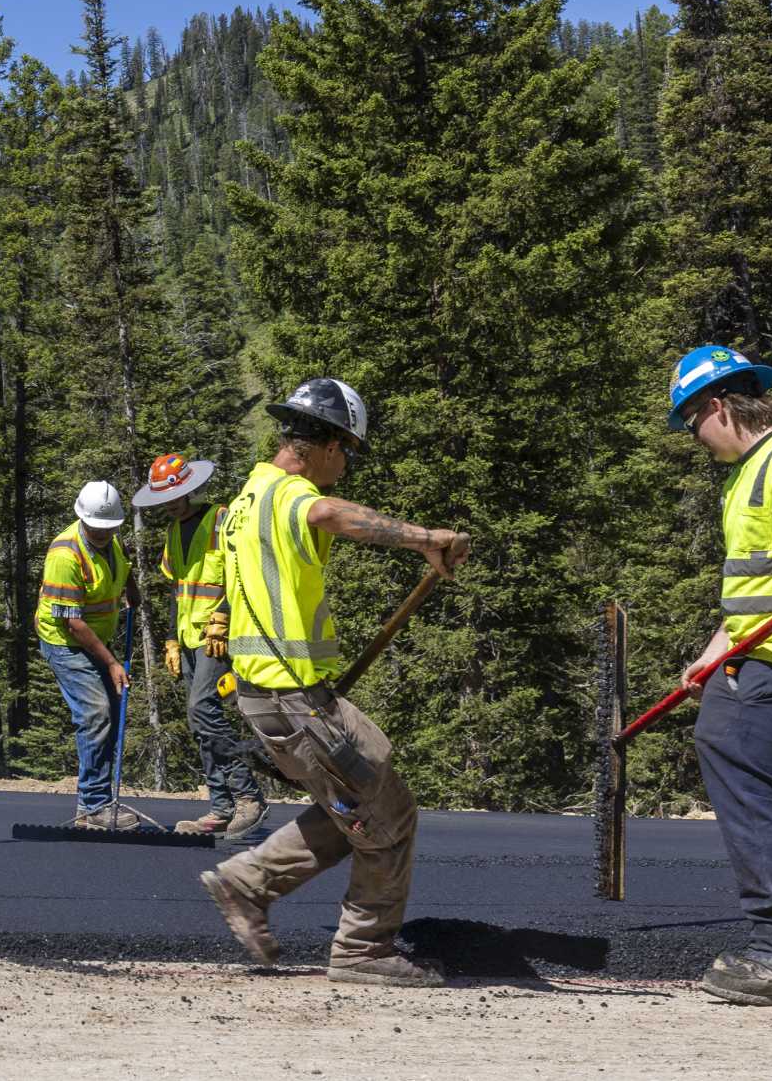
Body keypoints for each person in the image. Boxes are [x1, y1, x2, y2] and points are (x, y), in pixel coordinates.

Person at [201, 378, 470, 988]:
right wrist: (429, 539)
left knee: (360, 802)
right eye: (346, 449)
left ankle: (246, 883)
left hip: (272, 695)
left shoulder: (248, 496)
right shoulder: (290, 494)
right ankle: (363, 951)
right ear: (319, 443)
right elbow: (324, 513)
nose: (347, 464)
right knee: (388, 815)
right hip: (295, 700)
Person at [668, 344, 772, 1006]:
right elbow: (758, 589)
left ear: (717, 406)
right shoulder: (745, 477)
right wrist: (714, 649)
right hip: (760, 650)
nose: (693, 437)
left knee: (727, 740)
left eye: (691, 421)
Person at [132, 452, 265, 839]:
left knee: (203, 707)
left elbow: (242, 575)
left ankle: (248, 797)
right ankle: (221, 807)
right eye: (166, 499)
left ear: (192, 489)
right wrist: (171, 639)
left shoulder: (220, 520)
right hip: (190, 637)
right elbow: (178, 589)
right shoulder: (174, 532)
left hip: (220, 636)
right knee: (198, 720)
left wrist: (223, 617)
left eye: (178, 495)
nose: (172, 504)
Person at [35, 480, 143, 831]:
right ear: (83, 519)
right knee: (96, 712)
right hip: (66, 641)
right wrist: (111, 662)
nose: (103, 533)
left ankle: (97, 800)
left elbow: (121, 568)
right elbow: (73, 623)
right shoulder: (65, 555)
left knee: (111, 711)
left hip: (97, 638)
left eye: (109, 528)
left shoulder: (113, 541)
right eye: (97, 528)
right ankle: (93, 805)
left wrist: (131, 591)